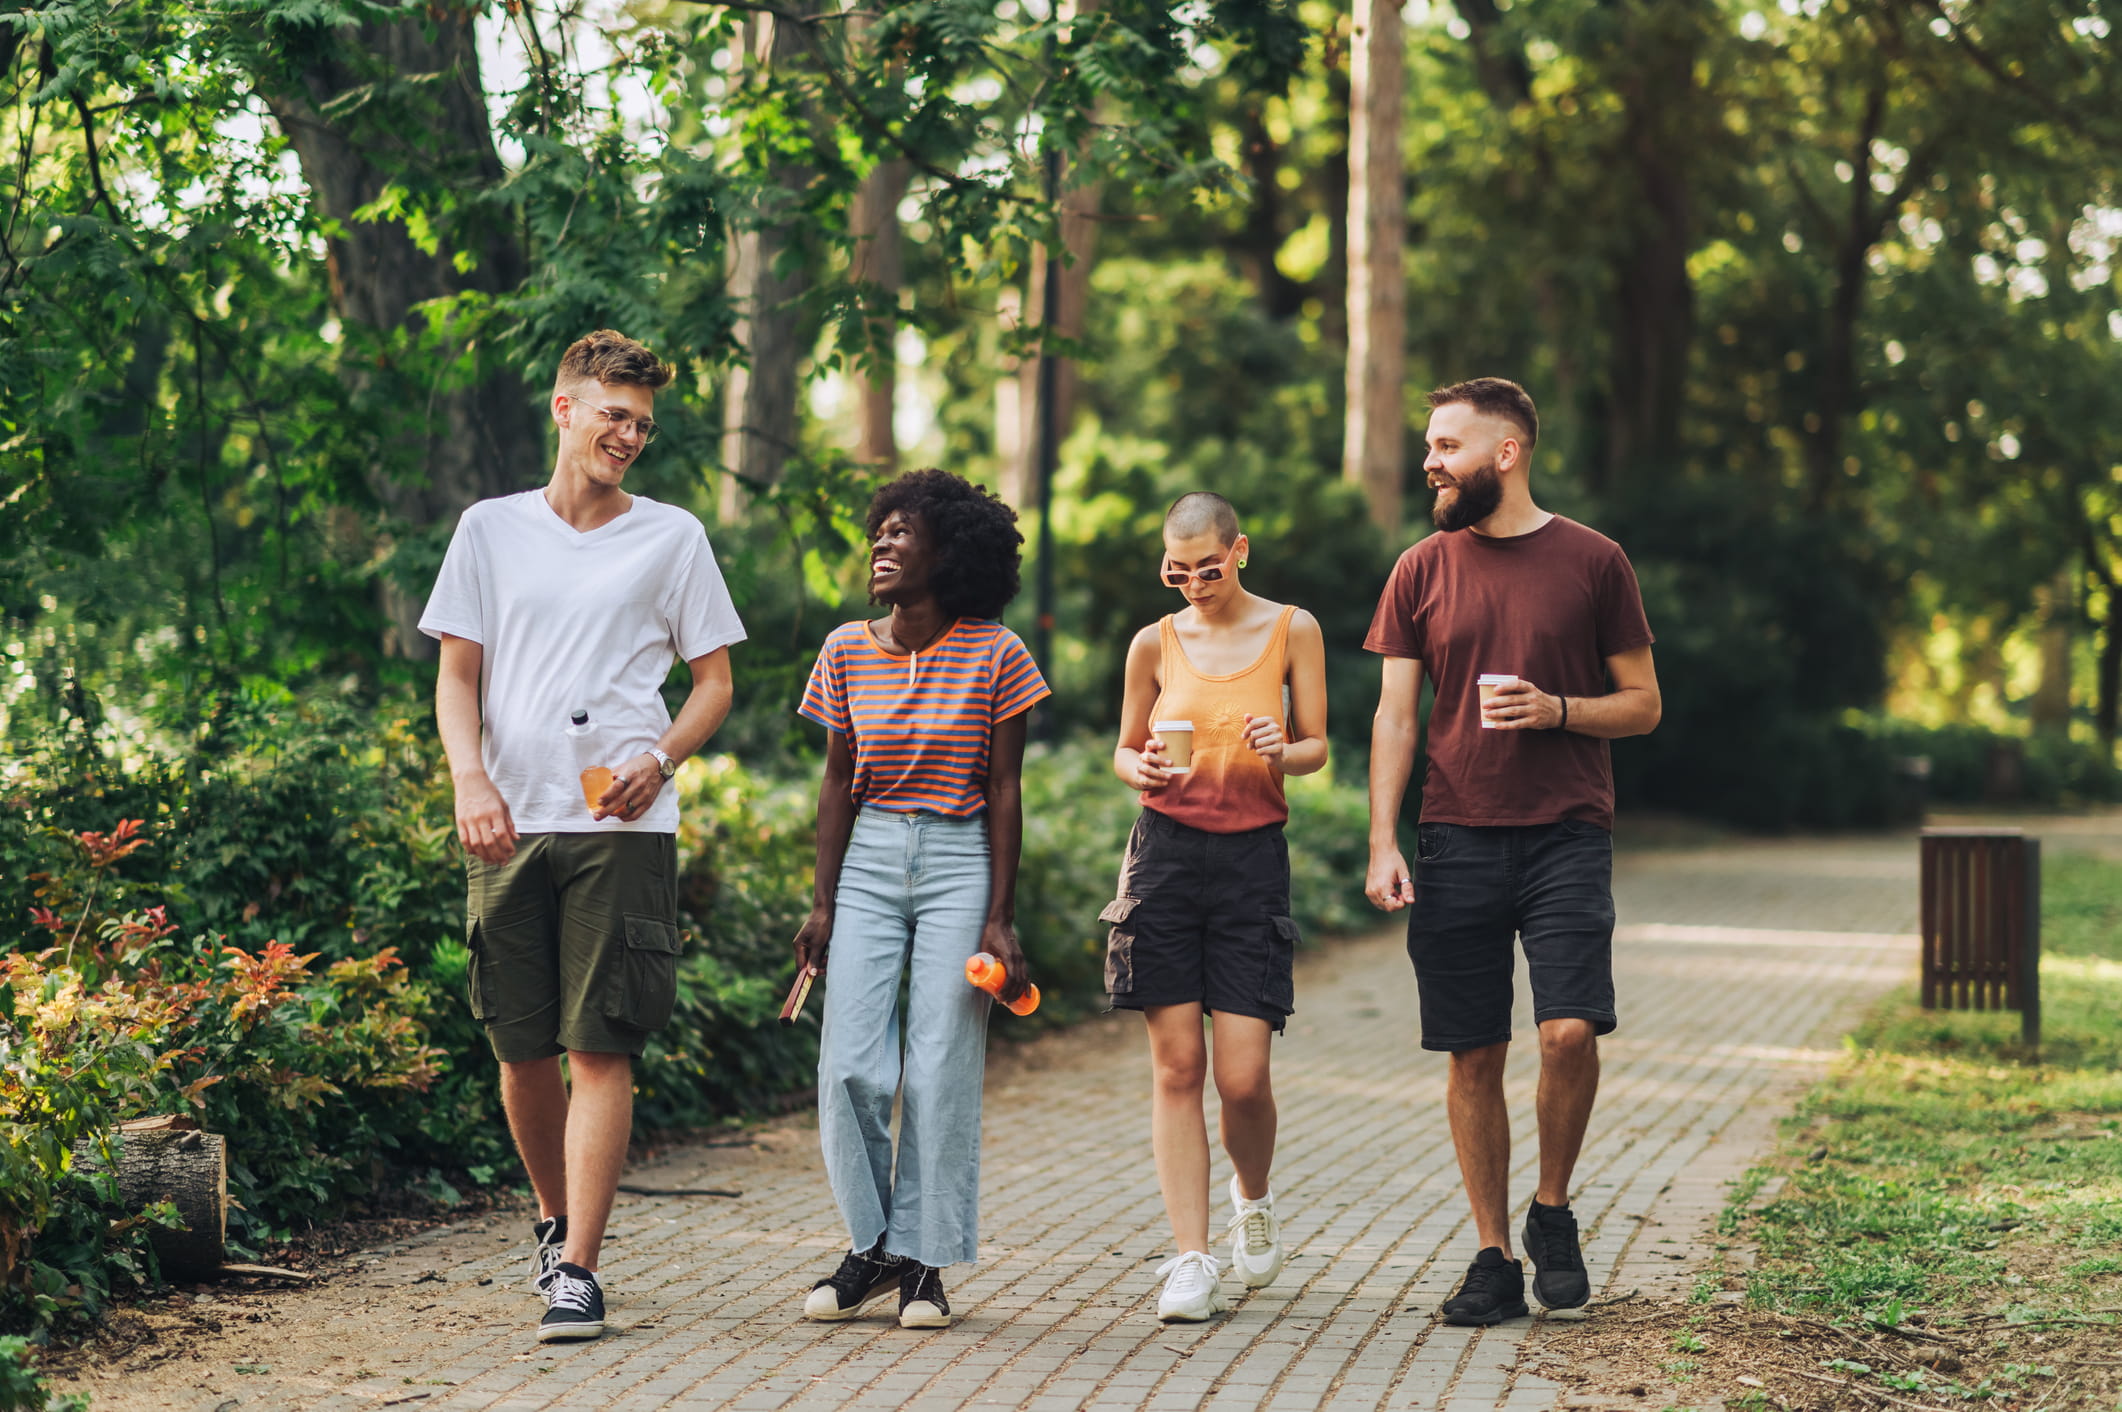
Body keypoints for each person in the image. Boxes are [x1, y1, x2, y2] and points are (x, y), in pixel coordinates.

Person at [420, 330, 746, 1344]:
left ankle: (582, 1270)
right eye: (614, 413)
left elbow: (715, 683)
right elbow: (458, 675)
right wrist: (470, 777)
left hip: (622, 824)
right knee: (519, 1044)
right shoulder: (488, 529)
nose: (630, 433)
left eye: (643, 422)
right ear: (564, 408)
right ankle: (555, 1222)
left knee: (599, 1042)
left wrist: (662, 757)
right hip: (509, 816)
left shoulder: (673, 536)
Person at [1362, 377, 1660, 1326]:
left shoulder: (1595, 560)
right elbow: (1395, 715)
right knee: (1473, 1051)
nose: (1430, 462)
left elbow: (1645, 704)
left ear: (1507, 452)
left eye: (1447, 445)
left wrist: (1558, 710)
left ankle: (1553, 1210)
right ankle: (1493, 1256)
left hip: (1569, 830)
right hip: (1455, 835)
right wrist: (1382, 839)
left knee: (1569, 1030)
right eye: (1428, 446)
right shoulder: (1420, 568)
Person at [793, 468, 1049, 1330]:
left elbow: (1007, 789)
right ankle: (874, 1243)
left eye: (904, 533)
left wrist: (1000, 916)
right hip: (867, 856)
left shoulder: (996, 651)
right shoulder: (844, 648)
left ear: (951, 552)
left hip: (958, 856)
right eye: (882, 531)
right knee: (851, 1064)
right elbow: (835, 784)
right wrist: (822, 902)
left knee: (940, 1069)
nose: (883, 544)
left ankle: (924, 1262)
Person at [1106, 492, 1330, 1323]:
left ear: (1240, 550)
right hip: (1163, 861)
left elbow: (1317, 745)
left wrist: (1286, 748)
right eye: (1178, 570)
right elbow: (1124, 749)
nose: (1194, 584)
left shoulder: (1291, 629)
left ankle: (1255, 1195)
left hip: (1249, 865)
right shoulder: (1153, 642)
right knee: (1177, 1069)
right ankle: (1191, 1260)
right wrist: (1143, 772)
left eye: (1208, 567)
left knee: (1242, 1078)